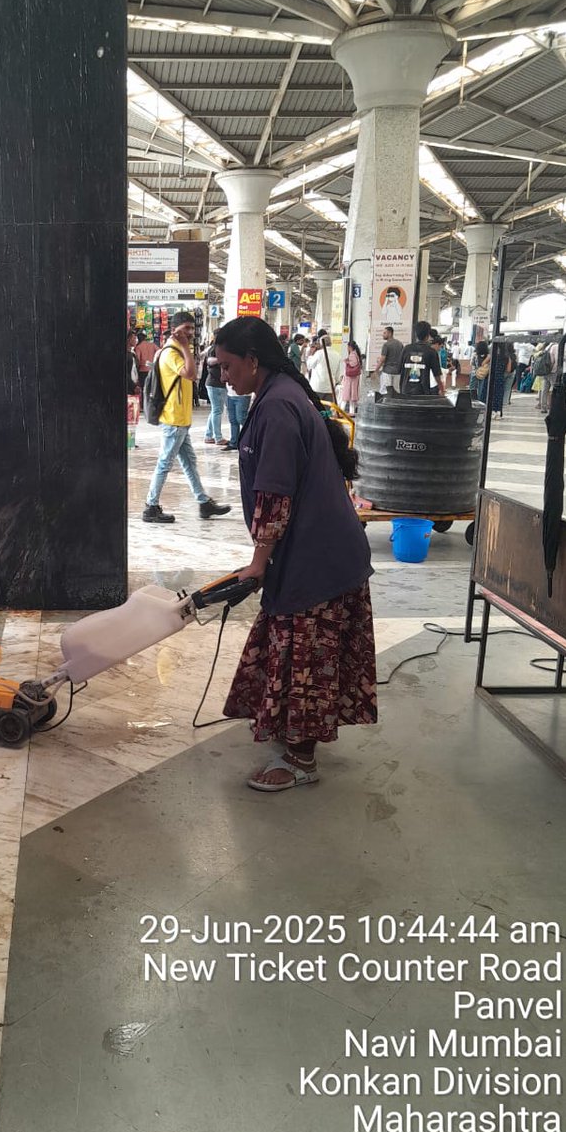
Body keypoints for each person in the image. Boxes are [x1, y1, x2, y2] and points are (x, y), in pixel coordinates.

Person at [213, 317, 376, 792]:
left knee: (306, 657)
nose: (223, 377)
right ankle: (290, 731)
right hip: (317, 552)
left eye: (227, 366)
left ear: (252, 361)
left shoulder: (279, 407)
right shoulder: (277, 394)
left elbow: (274, 496)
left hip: (318, 560)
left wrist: (259, 562)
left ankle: (301, 761)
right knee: (287, 648)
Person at [142, 311, 231, 524]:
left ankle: (203, 502)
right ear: (174, 331)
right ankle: (150, 506)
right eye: (186, 329)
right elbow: (191, 374)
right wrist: (184, 347)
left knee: (189, 462)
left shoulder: (179, 350)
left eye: (192, 328)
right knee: (165, 462)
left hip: (181, 419)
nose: (190, 333)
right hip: (173, 419)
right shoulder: (172, 353)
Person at [399, 321, 442, 396]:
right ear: (428, 335)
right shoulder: (431, 352)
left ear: (415, 334)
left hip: (405, 390)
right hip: (422, 392)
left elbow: (399, 369)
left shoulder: (406, 349)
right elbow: (437, 374)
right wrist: (442, 389)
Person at [200, 339, 228, 445]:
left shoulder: (219, 349)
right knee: (217, 410)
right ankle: (218, 437)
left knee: (216, 410)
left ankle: (208, 435)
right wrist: (221, 359)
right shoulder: (214, 349)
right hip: (214, 384)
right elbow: (210, 361)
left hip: (218, 384)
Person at [479, 342, 515, 418]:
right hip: (500, 378)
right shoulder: (507, 357)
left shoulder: (492, 356)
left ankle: (488, 410)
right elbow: (508, 370)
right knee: (498, 395)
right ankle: (497, 411)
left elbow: (483, 364)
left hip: (490, 378)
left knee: (488, 394)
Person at [306, 332, 340, 398]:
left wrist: (310, 356)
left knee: (316, 407)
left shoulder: (319, 353)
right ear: (331, 343)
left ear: (321, 343)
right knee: (327, 408)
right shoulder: (337, 355)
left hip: (317, 387)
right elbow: (337, 375)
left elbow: (309, 365)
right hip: (330, 387)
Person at [377, 326, 404, 394]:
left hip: (387, 371)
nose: (383, 334)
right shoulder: (400, 344)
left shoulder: (386, 345)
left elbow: (382, 359)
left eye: (384, 333)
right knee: (397, 390)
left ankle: (385, 404)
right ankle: (396, 404)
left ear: (390, 333)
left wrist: (376, 370)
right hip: (398, 372)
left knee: (385, 391)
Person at [341, 340, 362, 414]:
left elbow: (353, 364)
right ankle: (351, 412)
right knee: (351, 396)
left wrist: (346, 362)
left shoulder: (352, 354)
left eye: (347, 347)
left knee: (347, 395)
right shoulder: (356, 354)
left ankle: (341, 411)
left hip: (350, 378)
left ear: (350, 347)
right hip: (354, 378)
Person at [126, 330, 140, 396]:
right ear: (129, 339)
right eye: (134, 338)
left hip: (134, 385)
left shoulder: (132, 353)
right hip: (129, 388)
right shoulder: (126, 354)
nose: (136, 340)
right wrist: (133, 386)